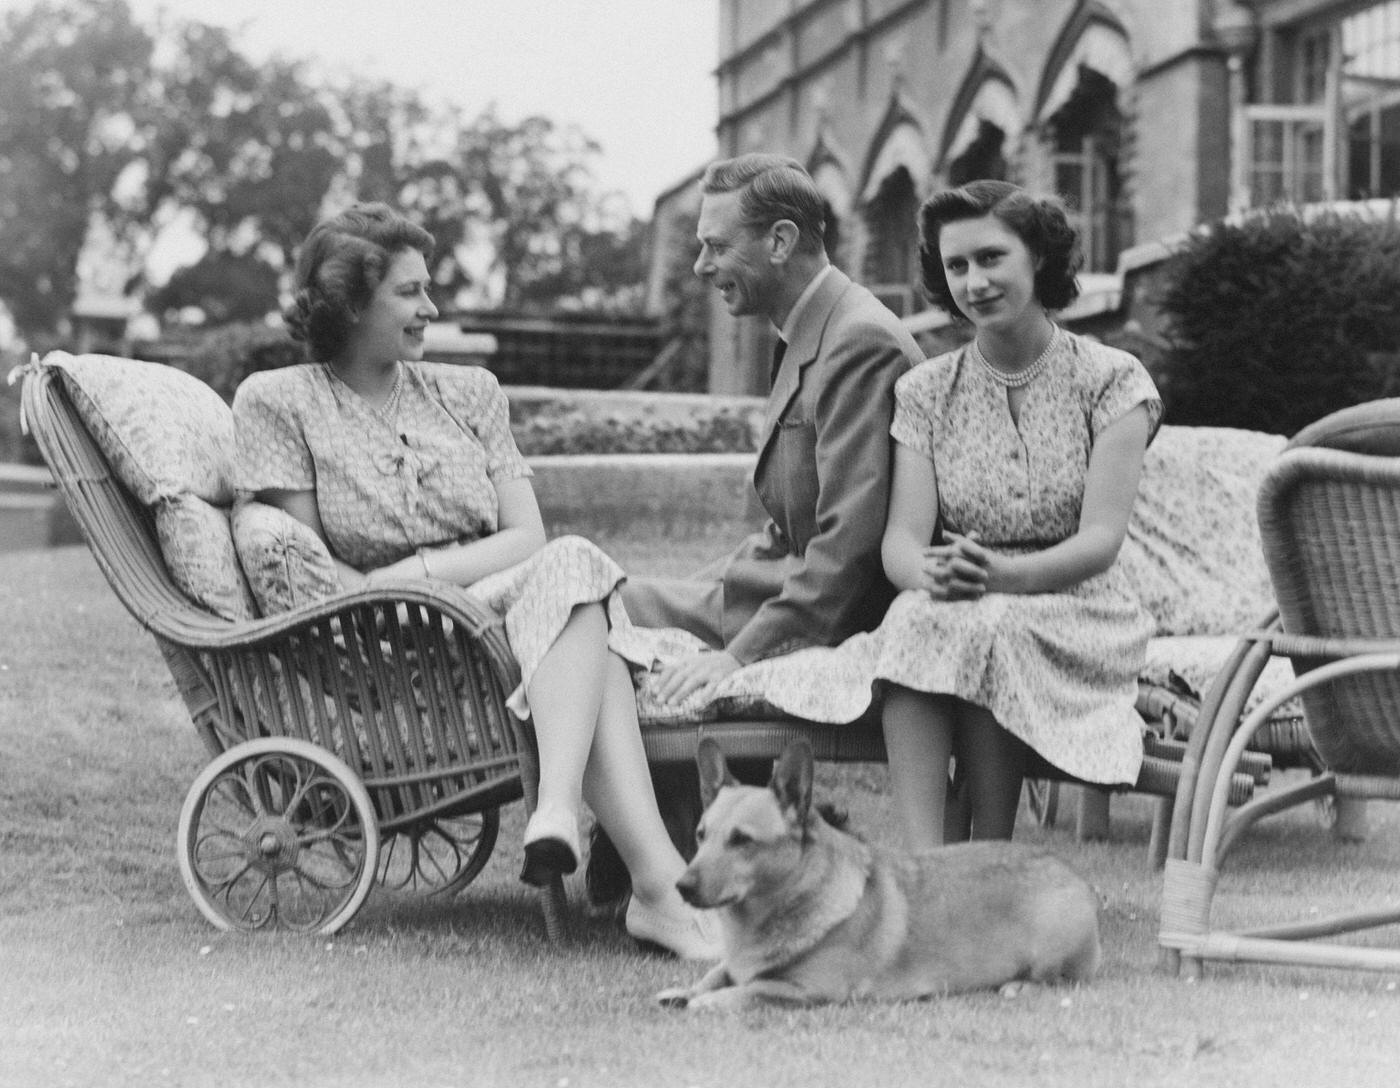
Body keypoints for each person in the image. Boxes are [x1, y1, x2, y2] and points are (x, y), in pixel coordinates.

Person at [230, 203, 716, 959]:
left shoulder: (470, 392)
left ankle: (595, 839)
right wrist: (404, 585)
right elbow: (318, 561)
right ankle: (640, 874)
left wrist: (418, 567)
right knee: (585, 611)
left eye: (429, 289)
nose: (431, 309)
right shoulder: (278, 401)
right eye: (410, 292)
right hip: (391, 630)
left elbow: (527, 537)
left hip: (498, 603)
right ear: (352, 304)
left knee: (573, 572)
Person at [587, 153, 924, 902]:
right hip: (788, 583)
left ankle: (648, 859)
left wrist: (738, 655)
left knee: (616, 621)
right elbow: (788, 529)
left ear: (779, 241)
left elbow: (847, 549)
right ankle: (659, 841)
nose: (703, 265)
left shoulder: (860, 341)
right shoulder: (811, 327)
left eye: (716, 245)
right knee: (606, 605)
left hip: (840, 611)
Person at [875, 180, 1162, 848]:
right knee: (920, 618)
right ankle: (927, 866)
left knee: (989, 623)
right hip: (965, 595)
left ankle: (989, 857)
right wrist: (931, 576)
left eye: (991, 257)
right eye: (957, 266)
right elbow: (901, 540)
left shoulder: (1111, 379)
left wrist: (1001, 577)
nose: (974, 281)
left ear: (1037, 257)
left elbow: (1100, 540)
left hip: (1080, 606)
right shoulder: (924, 391)